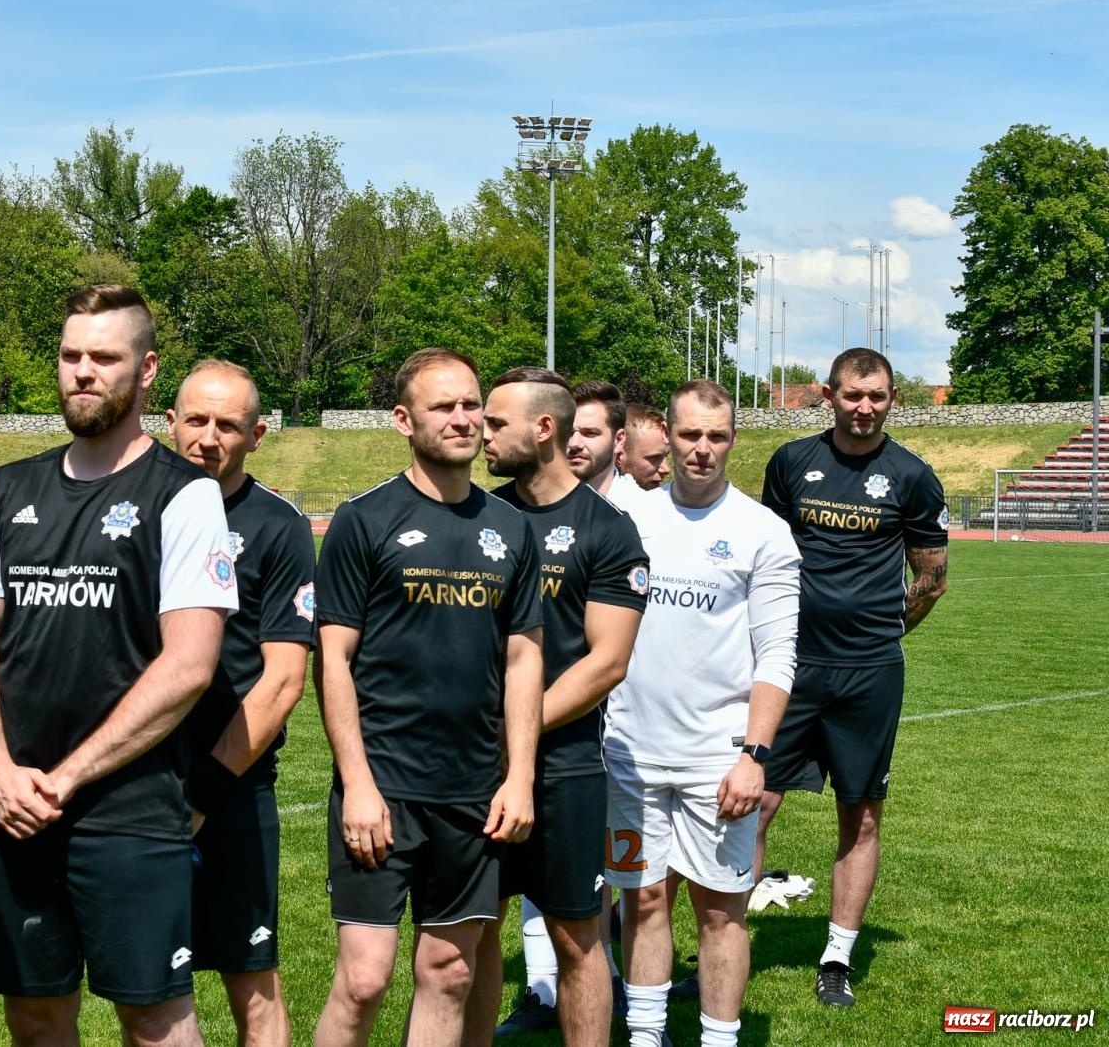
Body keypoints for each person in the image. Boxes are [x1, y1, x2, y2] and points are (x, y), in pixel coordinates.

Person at [0, 285, 237, 1047]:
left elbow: (189, 666)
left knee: (154, 1019)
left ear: (146, 373)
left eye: (104, 358)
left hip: (131, 809)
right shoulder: (10, 487)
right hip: (16, 804)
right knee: (36, 1015)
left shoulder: (186, 495)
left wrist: (69, 776)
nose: (83, 372)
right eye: (71, 355)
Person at [313, 347, 543, 1047]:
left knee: (449, 972)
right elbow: (334, 657)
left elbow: (525, 655)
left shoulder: (511, 529)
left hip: (473, 790)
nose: (463, 418)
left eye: (472, 404)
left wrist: (520, 778)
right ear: (404, 419)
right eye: (444, 406)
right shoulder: (365, 519)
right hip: (382, 786)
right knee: (364, 980)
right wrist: (356, 783)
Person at [604, 380, 801, 1047]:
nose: (702, 450)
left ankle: (719, 1040)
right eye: (690, 435)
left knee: (720, 914)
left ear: (733, 441)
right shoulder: (626, 521)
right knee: (644, 901)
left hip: (719, 763)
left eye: (716, 437)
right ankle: (645, 1035)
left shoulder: (763, 532)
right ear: (667, 436)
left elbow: (777, 655)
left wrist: (754, 757)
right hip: (628, 755)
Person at [755, 347, 949, 1008]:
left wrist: (881, 635)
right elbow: (768, 560)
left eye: (878, 396)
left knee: (861, 817)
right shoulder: (791, 464)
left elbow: (931, 578)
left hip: (869, 673)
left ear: (893, 398)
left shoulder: (913, 476)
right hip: (790, 665)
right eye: (852, 395)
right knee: (753, 802)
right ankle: (730, 939)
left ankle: (836, 957)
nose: (864, 407)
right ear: (829, 396)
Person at [467, 368, 649, 1047]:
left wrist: (518, 726)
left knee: (578, 938)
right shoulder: (479, 517)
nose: (481, 433)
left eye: (495, 422)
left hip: (567, 766)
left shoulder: (607, 531)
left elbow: (607, 661)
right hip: (477, 764)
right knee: (475, 934)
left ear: (544, 428)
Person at [166, 360, 315, 1047]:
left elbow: (283, 681)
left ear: (257, 435)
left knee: (252, 982)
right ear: (169, 421)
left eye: (228, 425)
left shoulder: (279, 527)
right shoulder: (135, 509)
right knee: (151, 989)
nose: (209, 437)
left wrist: (204, 790)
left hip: (233, 785)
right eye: (196, 420)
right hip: (138, 782)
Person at [617, 404, 671, 492]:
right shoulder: (592, 503)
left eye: (666, 455)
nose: (666, 469)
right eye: (654, 458)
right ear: (619, 456)